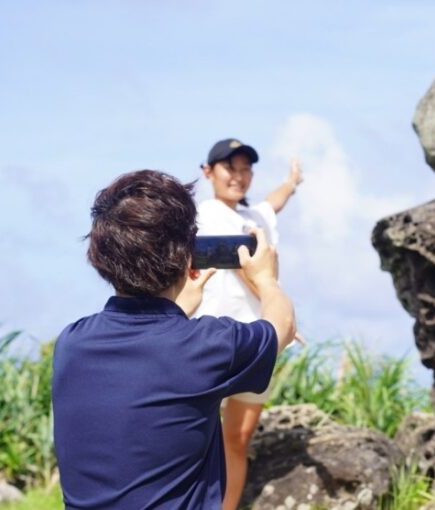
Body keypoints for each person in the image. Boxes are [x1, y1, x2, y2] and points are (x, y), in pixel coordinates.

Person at [52, 170, 296, 509]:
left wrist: (176, 309)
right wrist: (267, 280)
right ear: (185, 253)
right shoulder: (207, 346)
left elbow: (150, 355)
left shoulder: (72, 343)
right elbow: (281, 325)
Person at [194, 138, 303, 510]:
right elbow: (245, 268)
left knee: (237, 440)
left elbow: (272, 205)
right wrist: (280, 309)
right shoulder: (206, 213)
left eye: (246, 169)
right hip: (214, 335)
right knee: (200, 436)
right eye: (230, 168)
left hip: (257, 338)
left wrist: (292, 183)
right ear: (208, 173)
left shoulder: (254, 216)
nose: (239, 177)